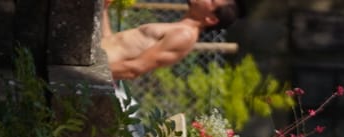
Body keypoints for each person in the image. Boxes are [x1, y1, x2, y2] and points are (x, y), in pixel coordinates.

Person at [101, 0, 240, 81]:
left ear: (211, 19)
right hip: (91, 59)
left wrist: (86, 72)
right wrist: (104, 8)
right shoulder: (177, 28)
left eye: (211, 0)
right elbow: (110, 43)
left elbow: (134, 69)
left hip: (91, 67)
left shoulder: (184, 35)